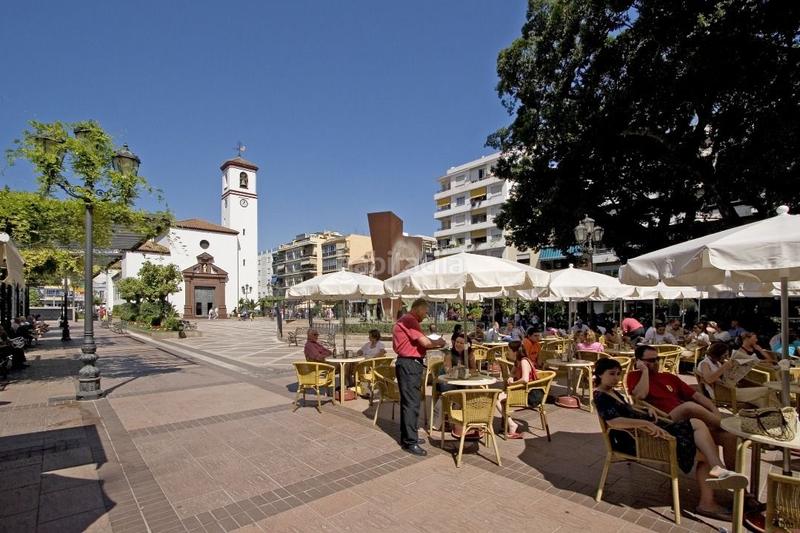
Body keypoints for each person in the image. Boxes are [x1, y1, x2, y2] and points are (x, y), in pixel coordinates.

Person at [594, 357, 747, 521]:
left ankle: (716, 473)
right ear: (600, 375)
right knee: (705, 448)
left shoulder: (612, 391)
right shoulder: (601, 396)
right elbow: (613, 422)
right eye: (612, 374)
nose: (616, 378)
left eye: (618, 374)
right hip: (637, 441)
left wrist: (647, 411)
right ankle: (712, 487)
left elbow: (628, 409)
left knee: (700, 430)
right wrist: (646, 423)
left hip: (647, 431)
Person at [627, 344, 738, 469]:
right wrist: (645, 371)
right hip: (665, 419)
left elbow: (698, 396)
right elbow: (640, 395)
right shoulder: (634, 376)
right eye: (651, 360)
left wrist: (714, 410)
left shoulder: (669, 377)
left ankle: (730, 478)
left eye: (657, 359)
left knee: (730, 437)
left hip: (689, 422)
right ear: (639, 361)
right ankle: (728, 426)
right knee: (689, 406)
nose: (657, 362)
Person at [393, 299, 445, 456]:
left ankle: (407, 437)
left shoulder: (406, 320)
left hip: (407, 364)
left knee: (408, 402)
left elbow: (420, 342)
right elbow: (425, 342)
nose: (426, 314)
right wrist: (440, 342)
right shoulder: (410, 320)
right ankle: (410, 442)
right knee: (412, 404)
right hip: (409, 364)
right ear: (417, 309)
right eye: (425, 311)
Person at [697, 342, 772, 408]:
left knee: (762, 400)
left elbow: (721, 376)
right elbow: (709, 379)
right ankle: (776, 413)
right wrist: (724, 367)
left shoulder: (717, 363)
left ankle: (769, 415)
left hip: (727, 389)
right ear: (718, 353)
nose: (726, 357)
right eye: (725, 355)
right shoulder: (705, 363)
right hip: (723, 393)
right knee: (766, 391)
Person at [495, 342, 537, 439]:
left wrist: (513, 383)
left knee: (497, 398)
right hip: (521, 391)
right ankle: (508, 424)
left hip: (527, 394)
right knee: (499, 396)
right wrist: (511, 377)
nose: (507, 352)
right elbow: (513, 373)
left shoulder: (524, 361)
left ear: (514, 352)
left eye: (509, 350)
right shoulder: (517, 362)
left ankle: (511, 424)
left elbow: (525, 379)